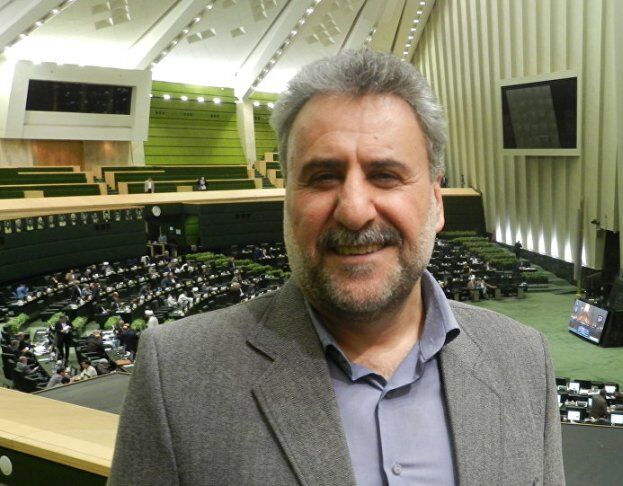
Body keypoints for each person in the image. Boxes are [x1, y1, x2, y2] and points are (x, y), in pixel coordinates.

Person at [110, 50, 564, 485]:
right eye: (323, 177)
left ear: (436, 201)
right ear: (287, 200)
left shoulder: (522, 358)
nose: (354, 211)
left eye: (385, 175)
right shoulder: (177, 373)